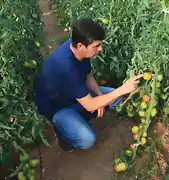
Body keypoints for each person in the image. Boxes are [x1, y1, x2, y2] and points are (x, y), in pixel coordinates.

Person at [34, 18, 143, 151]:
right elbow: (91, 105)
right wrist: (122, 89)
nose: (100, 49)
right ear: (81, 46)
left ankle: (81, 115)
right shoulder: (66, 68)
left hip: (75, 95)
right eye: (96, 46)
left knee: (116, 99)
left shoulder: (77, 50)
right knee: (87, 139)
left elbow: (87, 75)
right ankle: (64, 135)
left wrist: (99, 95)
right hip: (57, 108)